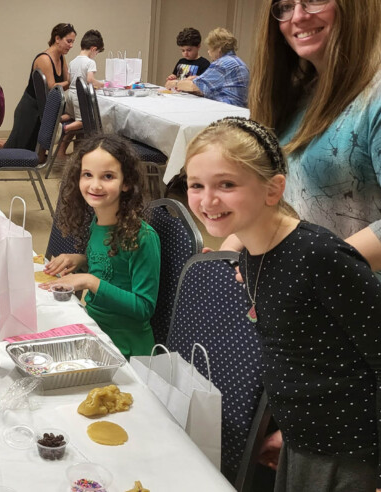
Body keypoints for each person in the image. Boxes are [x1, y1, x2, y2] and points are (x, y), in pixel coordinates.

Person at [185, 117, 381, 492]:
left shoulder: (319, 255)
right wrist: (284, 432)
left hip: (350, 452)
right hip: (303, 441)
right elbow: (292, 356)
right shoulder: (250, 254)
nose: (207, 200)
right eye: (196, 185)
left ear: (273, 189)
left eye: (226, 184)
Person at [240, 0, 381, 272]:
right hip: (302, 297)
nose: (298, 16)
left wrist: (307, 268)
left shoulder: (374, 97)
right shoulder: (300, 94)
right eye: (285, 6)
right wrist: (238, 237)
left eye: (314, 0)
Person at [40, 134, 160, 357]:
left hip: (126, 348)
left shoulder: (142, 237)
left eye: (108, 176)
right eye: (87, 175)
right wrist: (81, 261)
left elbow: (144, 307)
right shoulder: (97, 221)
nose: (95, 185)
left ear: (127, 183)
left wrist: (90, 281)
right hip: (96, 330)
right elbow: (111, 268)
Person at [3, 23, 76, 151]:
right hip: (30, 110)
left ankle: (56, 155)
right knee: (14, 150)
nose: (71, 45)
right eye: (69, 41)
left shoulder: (62, 58)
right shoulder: (44, 59)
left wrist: (71, 80)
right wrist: (73, 80)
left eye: (73, 42)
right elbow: (53, 87)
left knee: (34, 153)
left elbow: (66, 82)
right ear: (57, 39)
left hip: (42, 108)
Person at [167, 27, 249, 107]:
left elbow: (194, 87)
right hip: (239, 111)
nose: (208, 52)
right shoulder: (240, 63)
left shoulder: (221, 64)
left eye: (210, 49)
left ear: (218, 49)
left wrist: (174, 83)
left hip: (225, 111)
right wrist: (195, 79)